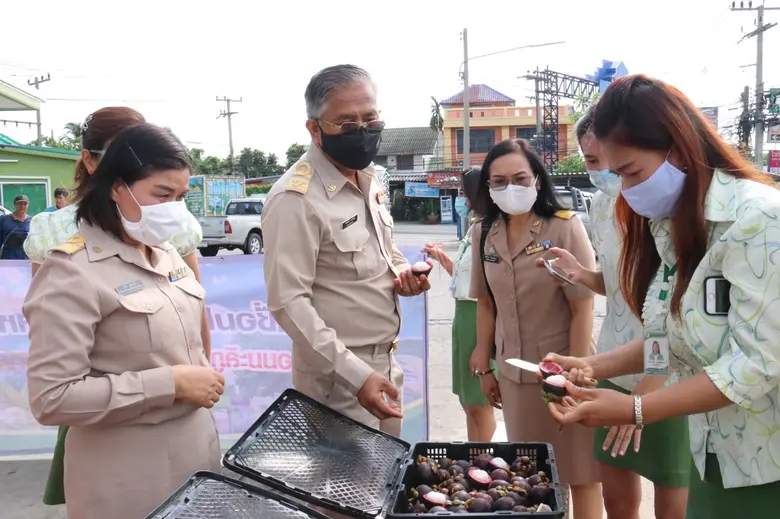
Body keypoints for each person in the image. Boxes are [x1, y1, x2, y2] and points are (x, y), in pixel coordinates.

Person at [545, 74, 780, 519]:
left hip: (766, 462)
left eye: (631, 171)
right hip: (713, 452)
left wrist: (637, 408)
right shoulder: (673, 225)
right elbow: (669, 337)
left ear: (678, 146)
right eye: (616, 175)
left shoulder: (759, 220)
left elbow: (754, 365)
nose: (627, 190)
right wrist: (594, 366)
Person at [24, 123, 223, 519]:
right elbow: (52, 398)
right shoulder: (72, 270)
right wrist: (171, 383)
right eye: (162, 194)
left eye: (182, 196)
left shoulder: (164, 253)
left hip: (198, 458)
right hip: (127, 477)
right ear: (117, 187)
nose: (174, 209)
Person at [263, 64, 431, 437]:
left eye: (370, 118)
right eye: (347, 124)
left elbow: (382, 251)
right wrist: (355, 375)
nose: (363, 131)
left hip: (385, 364)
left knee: (384, 483)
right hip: (338, 378)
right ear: (315, 128)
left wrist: (403, 273)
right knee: (341, 492)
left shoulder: (369, 177)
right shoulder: (296, 198)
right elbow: (287, 302)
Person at [539, 106, 689, 519]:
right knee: (617, 497)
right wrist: (580, 274)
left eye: (615, 163)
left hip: (672, 372)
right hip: (614, 359)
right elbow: (621, 285)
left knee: (673, 493)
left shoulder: (671, 207)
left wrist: (651, 388)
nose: (605, 170)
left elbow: (681, 316)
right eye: (591, 160)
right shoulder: (604, 206)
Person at [468, 138, 603, 519]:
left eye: (519, 178)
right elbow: (485, 302)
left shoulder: (563, 228)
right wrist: (484, 362)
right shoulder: (483, 232)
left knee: (580, 473)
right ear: (488, 187)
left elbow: (582, 306)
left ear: (537, 180)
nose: (509, 187)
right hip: (513, 373)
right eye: (498, 181)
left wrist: (572, 374)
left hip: (564, 370)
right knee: (533, 476)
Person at [423, 167, 497, 441]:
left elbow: (489, 290)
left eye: (464, 193)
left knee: (479, 403)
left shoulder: (492, 230)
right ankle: (473, 453)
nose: (462, 199)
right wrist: (440, 257)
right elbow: (466, 278)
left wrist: (483, 344)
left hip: (479, 318)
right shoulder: (474, 229)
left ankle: (483, 461)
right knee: (467, 402)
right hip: (463, 317)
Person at [0, 195, 32, 260]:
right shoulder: (3, 219)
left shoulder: (32, 221)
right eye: (19, 204)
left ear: (28, 205)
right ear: (14, 204)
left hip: (26, 259)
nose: (22, 206)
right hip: (8, 258)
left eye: (25, 204)